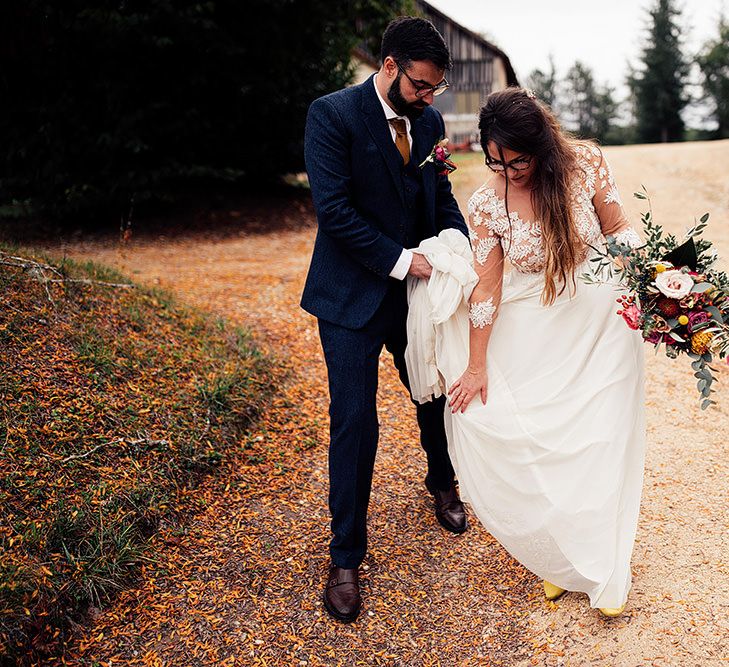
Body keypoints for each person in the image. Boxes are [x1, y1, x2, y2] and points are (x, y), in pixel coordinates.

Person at [442, 88, 645, 617]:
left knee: (596, 438)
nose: (508, 173)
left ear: (542, 145)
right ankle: (553, 556)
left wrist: (647, 279)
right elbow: (486, 289)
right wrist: (476, 364)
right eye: (495, 162)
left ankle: (604, 565)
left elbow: (617, 226)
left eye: (518, 161)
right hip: (533, 323)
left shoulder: (586, 163)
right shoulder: (487, 203)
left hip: (600, 317)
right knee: (529, 436)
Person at [301, 17, 470, 623]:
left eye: (436, 89)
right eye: (422, 85)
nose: (429, 98)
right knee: (354, 420)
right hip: (349, 298)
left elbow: (439, 196)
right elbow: (335, 212)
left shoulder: (429, 123)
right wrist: (404, 261)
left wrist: (456, 242)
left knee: (433, 393)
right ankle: (345, 556)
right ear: (391, 66)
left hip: (413, 298)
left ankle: (442, 481)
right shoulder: (332, 115)